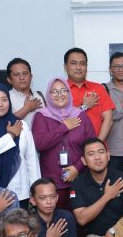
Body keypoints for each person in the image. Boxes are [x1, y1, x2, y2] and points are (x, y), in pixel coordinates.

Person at [32, 78, 95, 210]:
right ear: (48, 95)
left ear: (69, 92)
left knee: (80, 217)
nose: (59, 95)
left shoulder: (80, 115)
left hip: (80, 178)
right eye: (54, 91)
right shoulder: (41, 116)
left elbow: (91, 146)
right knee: (56, 217)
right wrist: (64, 127)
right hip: (52, 183)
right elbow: (40, 144)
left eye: (63, 90)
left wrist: (77, 168)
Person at [64, 47, 116, 140]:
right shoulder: (60, 90)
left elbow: (108, 119)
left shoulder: (98, 88)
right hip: (69, 146)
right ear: (65, 66)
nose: (79, 67)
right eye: (74, 63)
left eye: (82, 63)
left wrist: (97, 145)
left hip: (97, 145)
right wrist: (84, 106)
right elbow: (58, 121)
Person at [7, 57, 45, 128]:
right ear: (9, 80)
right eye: (16, 74)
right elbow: (5, 123)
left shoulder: (39, 95)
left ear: (31, 77)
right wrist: (27, 108)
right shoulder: (6, 97)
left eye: (25, 73)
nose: (22, 77)